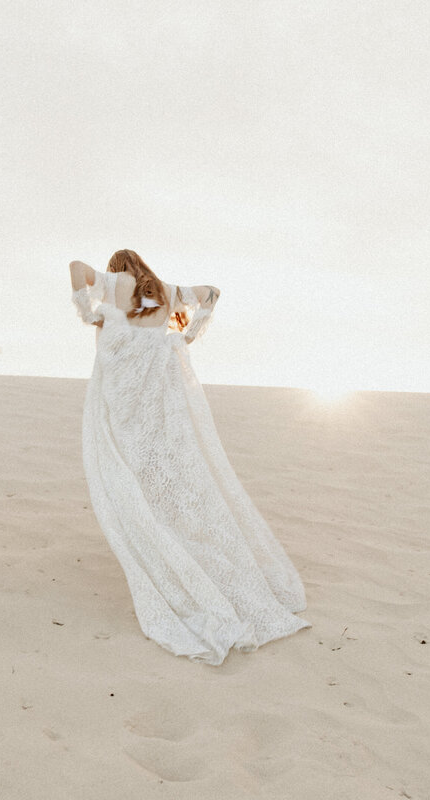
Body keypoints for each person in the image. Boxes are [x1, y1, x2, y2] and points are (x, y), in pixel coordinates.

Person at [70, 250, 309, 664]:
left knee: (127, 464)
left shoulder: (115, 284)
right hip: (157, 394)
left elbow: (75, 267)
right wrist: (188, 334)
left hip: (124, 390)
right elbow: (212, 293)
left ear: (117, 268)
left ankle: (159, 539)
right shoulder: (169, 291)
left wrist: (87, 311)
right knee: (161, 463)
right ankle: (174, 532)